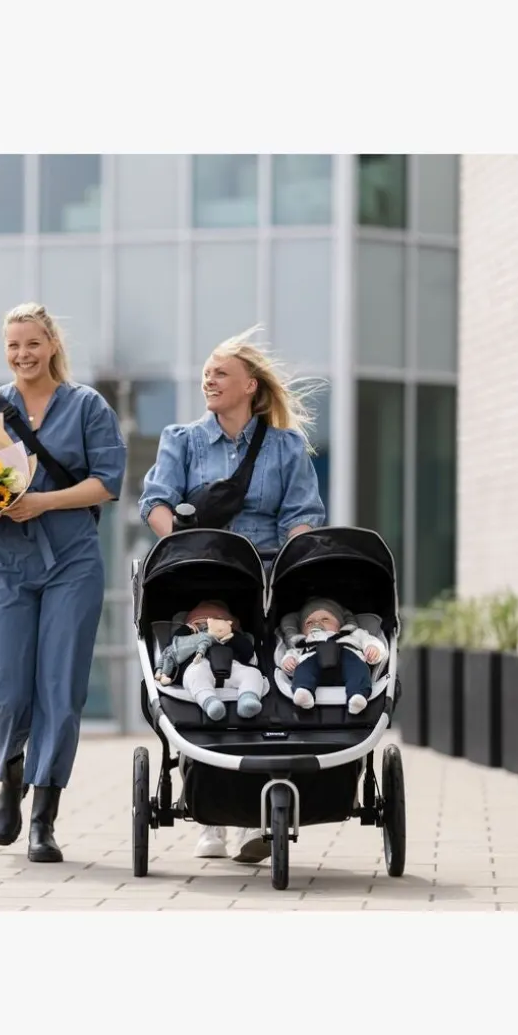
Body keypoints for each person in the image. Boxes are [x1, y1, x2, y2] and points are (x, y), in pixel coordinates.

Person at [138, 326, 326, 863]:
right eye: (206, 373)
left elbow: (302, 517)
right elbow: (155, 502)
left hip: (266, 574)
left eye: (220, 373)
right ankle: (213, 816)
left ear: (250, 385)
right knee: (202, 671)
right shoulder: (182, 439)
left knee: (267, 680)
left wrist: (290, 571)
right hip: (203, 569)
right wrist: (183, 549)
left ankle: (252, 817)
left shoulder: (286, 447)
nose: (209, 380)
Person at [0, 302, 127, 863]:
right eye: (13, 345)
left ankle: (44, 818)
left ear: (52, 344)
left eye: (32, 343)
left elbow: (108, 482)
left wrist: (42, 502)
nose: (23, 354)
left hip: (72, 561)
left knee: (60, 686)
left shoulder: (87, 406)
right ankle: (11, 776)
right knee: (5, 683)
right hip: (6, 563)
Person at [153, 599, 266, 723]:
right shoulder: (189, 637)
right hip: (199, 665)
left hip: (232, 668)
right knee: (194, 676)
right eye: (200, 622)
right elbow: (174, 648)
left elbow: (247, 652)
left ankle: (248, 699)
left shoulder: (232, 637)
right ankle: (210, 703)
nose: (206, 625)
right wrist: (187, 629)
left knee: (253, 674)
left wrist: (230, 634)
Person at [279, 599, 388, 714]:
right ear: (302, 631)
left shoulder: (353, 635)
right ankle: (304, 691)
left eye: (325, 619)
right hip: (315, 666)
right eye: (309, 622)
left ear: (340, 623)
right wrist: (288, 661)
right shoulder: (303, 643)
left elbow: (370, 640)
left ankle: (357, 695)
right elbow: (291, 655)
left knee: (359, 669)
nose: (317, 623)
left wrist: (373, 648)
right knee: (303, 669)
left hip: (348, 662)